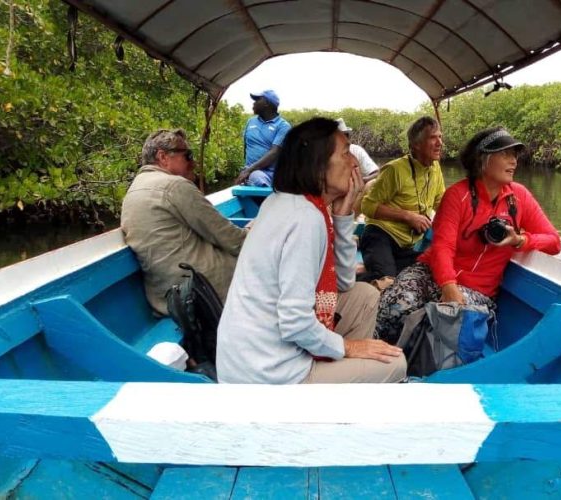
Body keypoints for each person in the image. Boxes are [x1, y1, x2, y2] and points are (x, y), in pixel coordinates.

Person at [217, 117, 406, 384]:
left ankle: (341, 378)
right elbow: (295, 322)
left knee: (363, 295)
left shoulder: (290, 203)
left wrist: (342, 217)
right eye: (345, 153)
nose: (354, 163)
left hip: (251, 356)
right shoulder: (305, 218)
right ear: (318, 165)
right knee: (396, 363)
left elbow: (343, 282)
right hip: (268, 374)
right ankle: (333, 396)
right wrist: (348, 347)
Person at [374, 127, 561, 344]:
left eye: (515, 155)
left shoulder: (519, 197)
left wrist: (521, 240)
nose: (514, 162)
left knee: (443, 324)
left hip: (478, 289)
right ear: (483, 159)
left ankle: (416, 362)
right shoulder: (457, 195)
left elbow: (554, 242)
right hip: (433, 274)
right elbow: (443, 248)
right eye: (505, 154)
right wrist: (448, 286)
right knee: (395, 306)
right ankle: (378, 357)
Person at [121, 129, 248, 316]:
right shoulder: (175, 186)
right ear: (163, 156)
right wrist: (254, 231)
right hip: (199, 292)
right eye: (187, 156)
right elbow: (233, 240)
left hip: (165, 298)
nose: (193, 163)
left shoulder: (133, 189)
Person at [358, 116, 446, 282]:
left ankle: (366, 269)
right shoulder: (395, 169)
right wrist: (408, 216)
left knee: (427, 269)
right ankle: (356, 278)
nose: (439, 142)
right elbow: (367, 206)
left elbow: (441, 203)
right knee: (386, 280)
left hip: (406, 245)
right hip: (380, 235)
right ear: (416, 145)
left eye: (440, 136)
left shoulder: (435, 168)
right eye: (432, 137)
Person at [234, 89, 291, 187]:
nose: (254, 103)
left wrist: (249, 170)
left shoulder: (283, 126)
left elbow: (274, 152)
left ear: (267, 103)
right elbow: (246, 147)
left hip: (272, 174)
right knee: (254, 177)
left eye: (257, 100)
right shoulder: (250, 122)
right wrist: (246, 169)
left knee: (257, 178)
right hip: (250, 171)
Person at [336, 118, 379, 183]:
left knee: (372, 182)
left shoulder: (356, 151)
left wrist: (361, 181)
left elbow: (376, 173)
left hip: (357, 189)